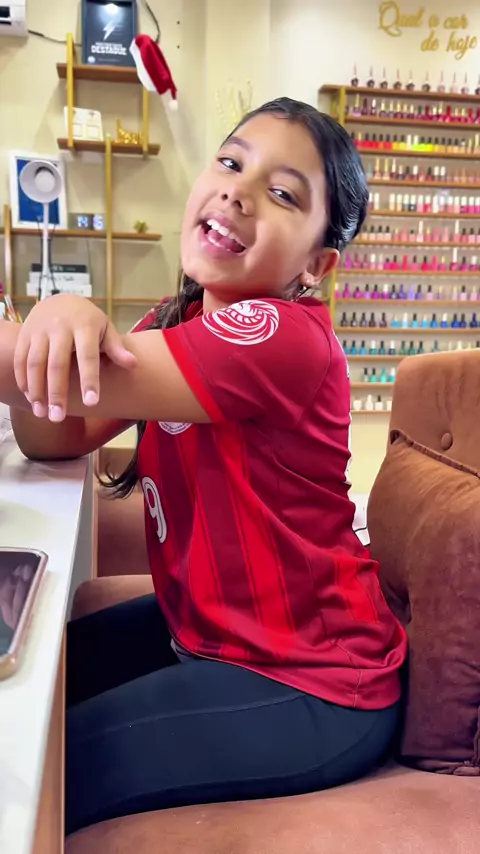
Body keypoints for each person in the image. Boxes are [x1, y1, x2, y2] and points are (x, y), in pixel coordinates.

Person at [0, 97, 407, 836]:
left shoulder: (282, 335)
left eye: (282, 193)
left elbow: (50, 389)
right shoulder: (175, 318)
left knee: (43, 765)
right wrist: (51, 332)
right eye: (230, 162)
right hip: (208, 633)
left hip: (314, 682)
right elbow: (57, 436)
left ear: (317, 265)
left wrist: (41, 336)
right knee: (38, 688)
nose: (238, 191)